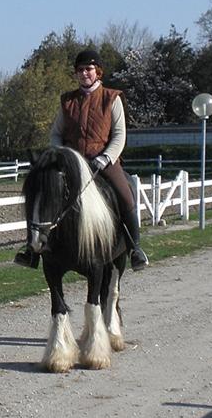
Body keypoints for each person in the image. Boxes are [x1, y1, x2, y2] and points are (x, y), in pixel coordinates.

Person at [15, 48, 149, 270]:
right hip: (72, 163)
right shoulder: (67, 101)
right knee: (44, 195)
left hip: (103, 161)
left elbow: (119, 135)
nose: (84, 73)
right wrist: (61, 154)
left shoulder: (111, 98)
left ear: (98, 71)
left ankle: (135, 248)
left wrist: (105, 157)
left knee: (125, 195)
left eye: (88, 69)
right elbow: (56, 133)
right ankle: (33, 250)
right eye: (79, 70)